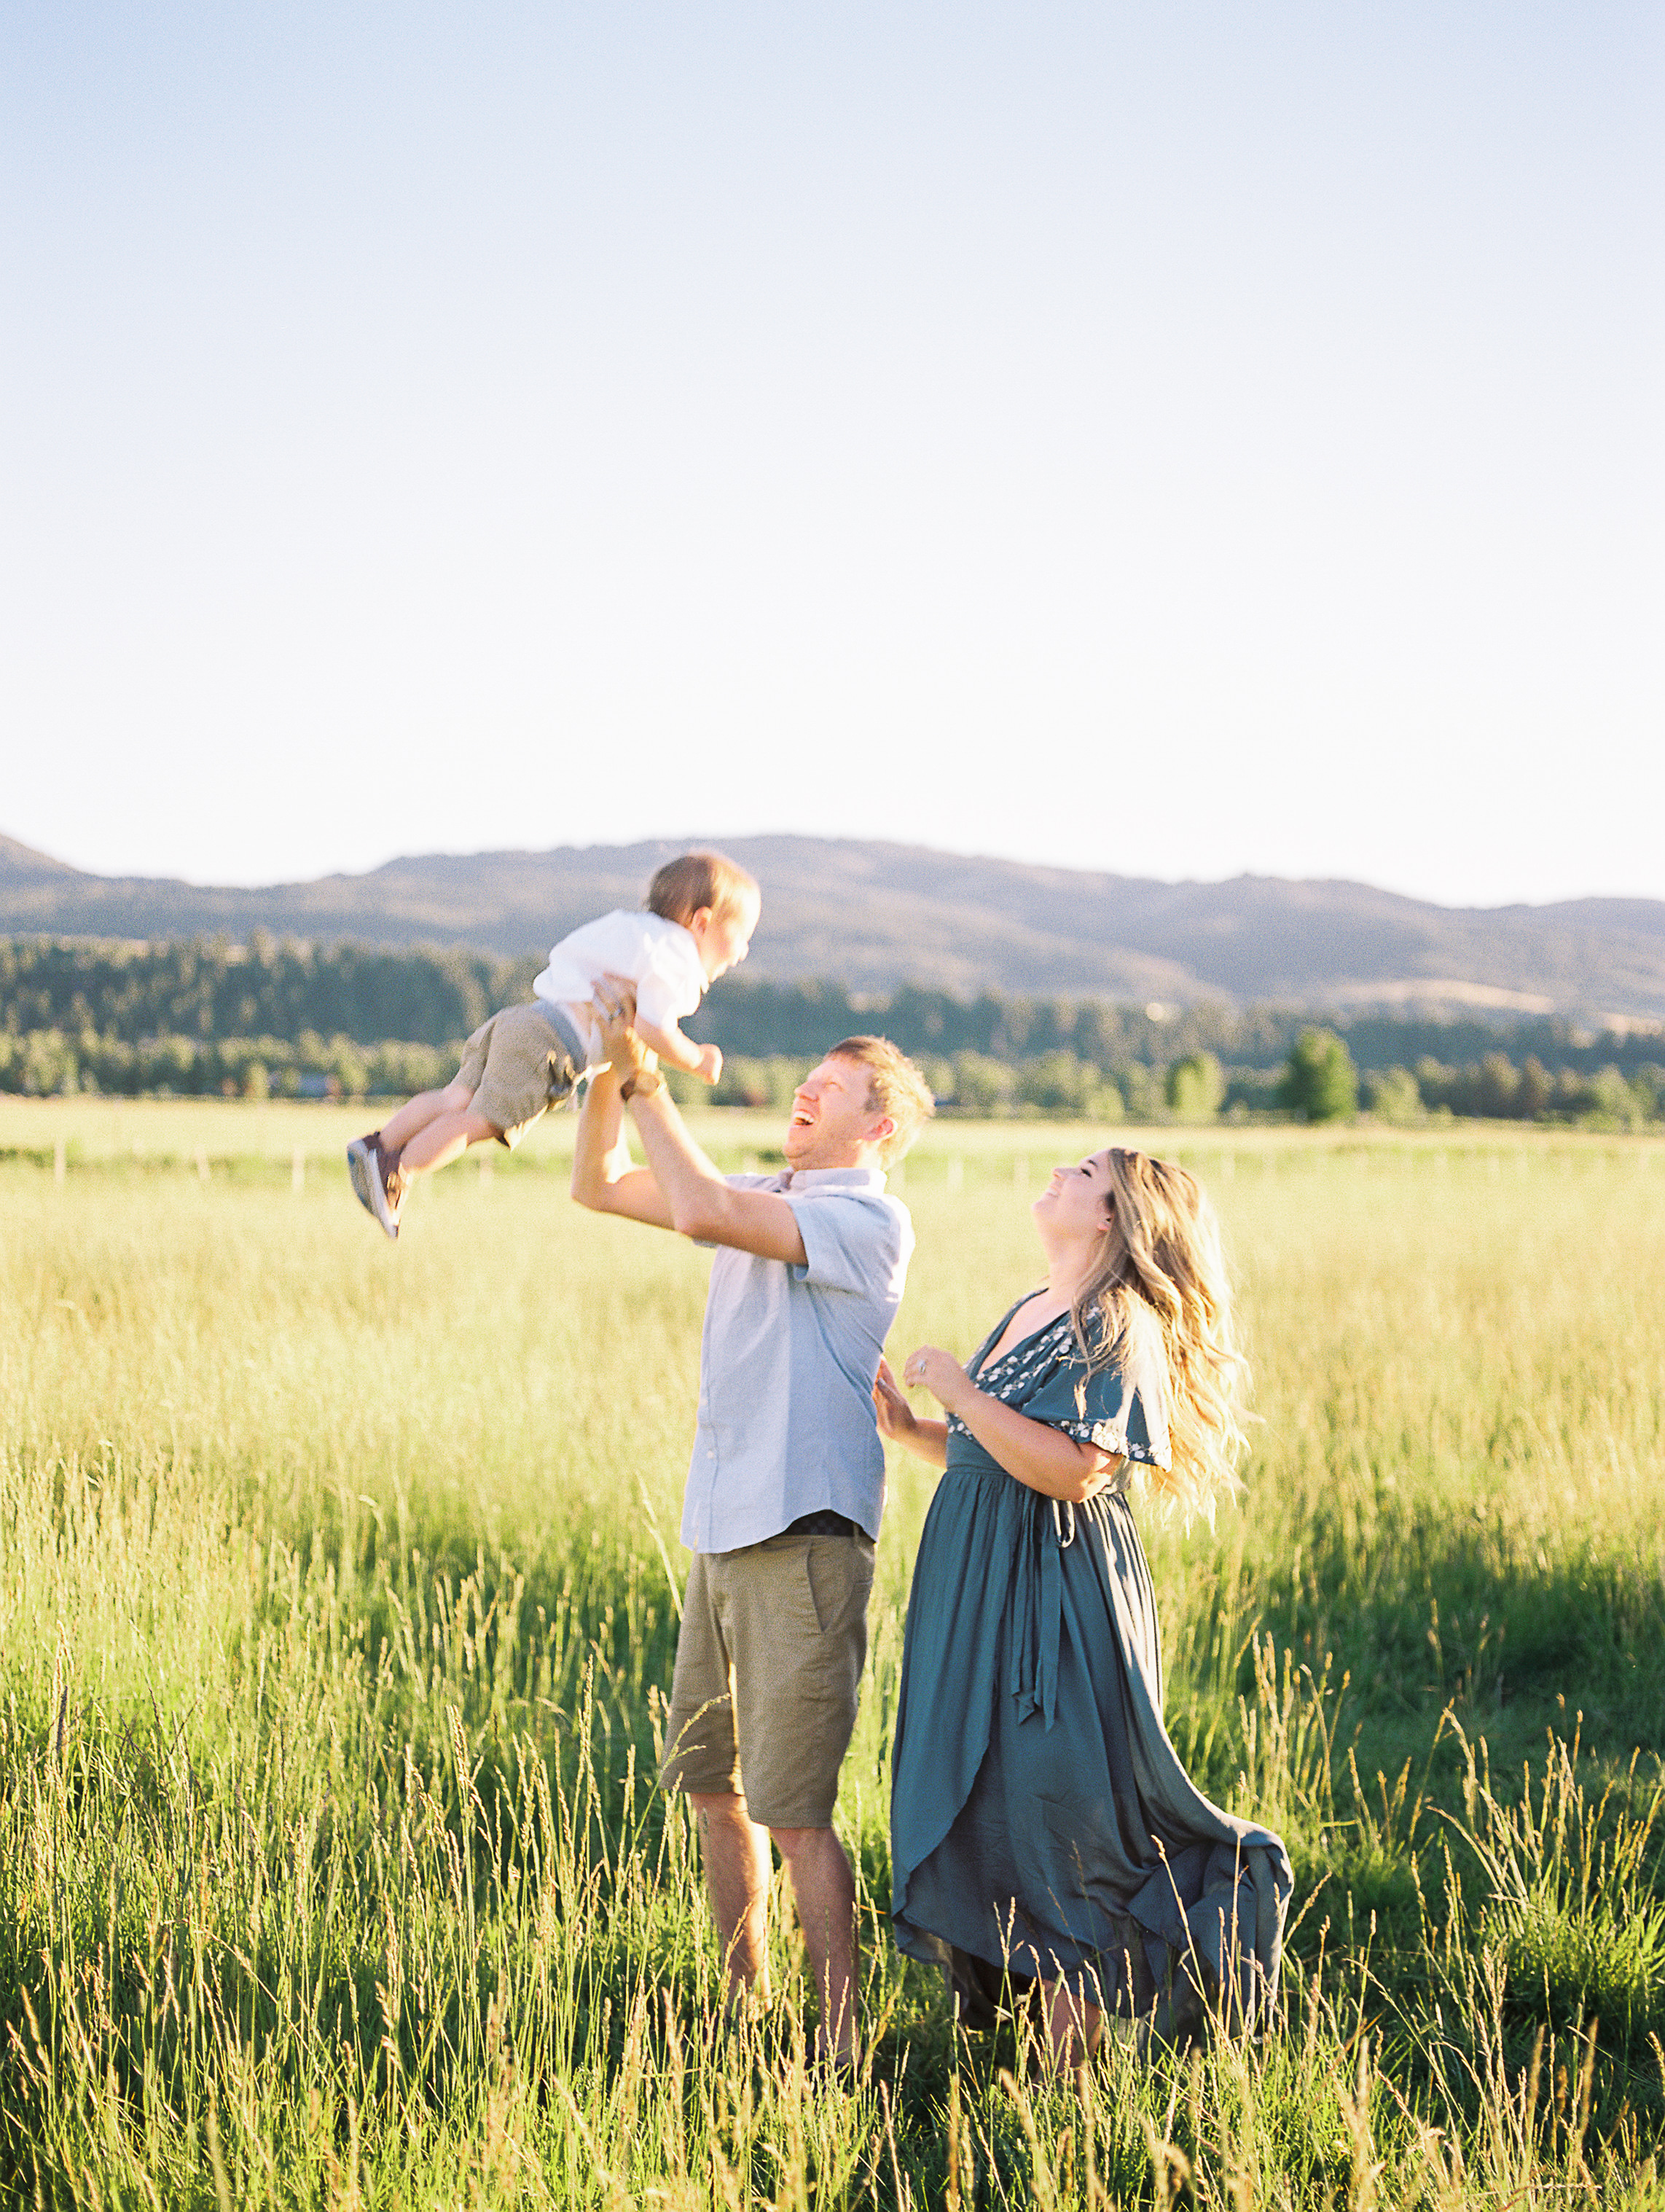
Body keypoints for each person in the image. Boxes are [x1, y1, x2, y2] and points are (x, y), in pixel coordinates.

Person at [571, 1001, 935, 2068]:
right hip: (721, 1528)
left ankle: (836, 2043)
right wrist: (607, 1065)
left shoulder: (871, 1222)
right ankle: (746, 2006)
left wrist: (646, 1081)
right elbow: (596, 1185)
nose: (805, 1092)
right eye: (807, 1077)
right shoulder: (765, 1188)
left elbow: (696, 1210)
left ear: (879, 1127)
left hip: (805, 1537)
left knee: (796, 1812)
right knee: (712, 1788)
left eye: (834, 1087)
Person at [877, 1146, 1291, 2072]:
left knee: (1064, 1822)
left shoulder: (1118, 1321)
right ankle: (1039, 2071)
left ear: (1110, 1216)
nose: (1058, 1175)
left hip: (1057, 1603)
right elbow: (1003, 1449)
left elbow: (1073, 1469)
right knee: (1000, 1807)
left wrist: (959, 1388)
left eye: (1081, 1172)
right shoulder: (1034, 1304)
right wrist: (916, 1431)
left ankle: (1073, 2092)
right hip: (982, 1590)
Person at [345, 851, 759, 1238]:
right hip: (552, 1045)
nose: (743, 951)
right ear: (702, 922)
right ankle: (399, 1171)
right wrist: (698, 1059)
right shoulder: (679, 958)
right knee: (482, 1121)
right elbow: (654, 1029)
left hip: (524, 1019)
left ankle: (378, 1144)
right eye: (741, 936)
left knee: (455, 1097)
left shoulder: (634, 930)